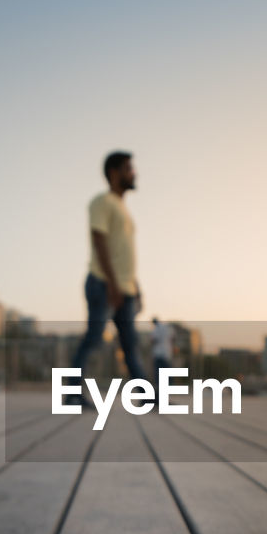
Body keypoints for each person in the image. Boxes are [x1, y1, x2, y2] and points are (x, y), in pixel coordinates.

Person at [72, 152, 147, 394]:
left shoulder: (123, 209)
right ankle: (72, 393)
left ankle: (149, 398)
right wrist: (113, 284)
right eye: (128, 168)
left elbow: (124, 252)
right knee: (93, 338)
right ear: (113, 173)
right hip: (104, 284)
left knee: (130, 346)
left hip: (124, 288)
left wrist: (135, 287)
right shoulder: (102, 202)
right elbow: (99, 240)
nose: (133, 173)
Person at [151, 316, 173, 381]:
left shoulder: (156, 329)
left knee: (158, 373)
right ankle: (169, 386)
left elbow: (153, 340)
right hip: (166, 353)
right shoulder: (166, 328)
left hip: (158, 354)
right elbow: (172, 338)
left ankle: (159, 387)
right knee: (167, 372)